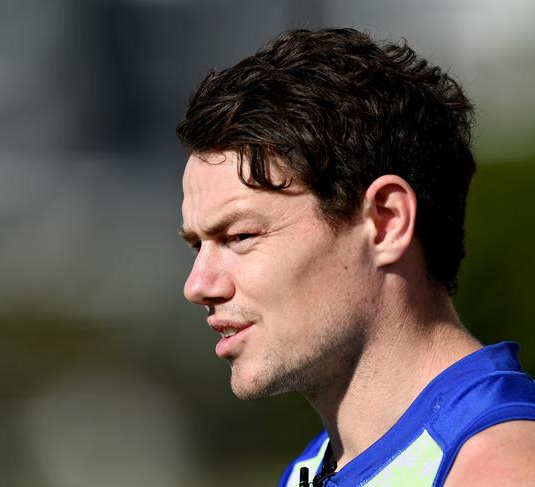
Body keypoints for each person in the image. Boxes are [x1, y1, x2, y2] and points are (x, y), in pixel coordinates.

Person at [176, 28, 535, 486]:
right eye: (196, 244)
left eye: (241, 235)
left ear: (386, 222)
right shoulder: (313, 468)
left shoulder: (496, 468)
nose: (198, 285)